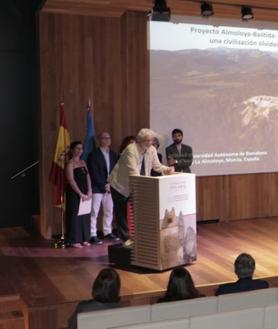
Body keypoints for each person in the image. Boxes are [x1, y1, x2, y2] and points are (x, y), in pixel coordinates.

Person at [109, 128, 174, 246]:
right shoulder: (131, 150)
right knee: (121, 212)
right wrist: (144, 186)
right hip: (120, 185)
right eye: (147, 141)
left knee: (141, 211)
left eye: (151, 140)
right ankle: (125, 239)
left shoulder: (152, 149)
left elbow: (156, 166)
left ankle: (142, 236)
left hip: (138, 184)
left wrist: (166, 169)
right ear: (139, 140)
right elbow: (134, 173)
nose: (149, 143)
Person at [87, 132, 119, 244]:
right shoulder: (93, 154)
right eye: (104, 138)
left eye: (108, 138)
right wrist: (103, 185)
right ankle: (92, 234)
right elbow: (93, 172)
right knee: (94, 211)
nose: (106, 140)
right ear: (99, 140)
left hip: (110, 188)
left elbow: (116, 171)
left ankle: (107, 231)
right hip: (97, 188)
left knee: (109, 210)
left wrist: (111, 184)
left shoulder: (114, 154)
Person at [65, 141, 92, 248]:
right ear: (72, 150)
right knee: (74, 216)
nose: (79, 151)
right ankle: (74, 240)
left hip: (85, 192)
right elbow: (71, 180)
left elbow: (88, 177)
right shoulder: (70, 164)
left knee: (85, 215)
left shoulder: (83, 162)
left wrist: (89, 191)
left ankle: (84, 238)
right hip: (74, 193)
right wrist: (80, 193)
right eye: (77, 148)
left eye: (81, 149)